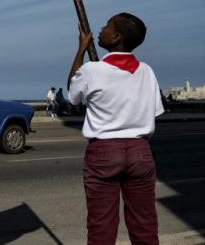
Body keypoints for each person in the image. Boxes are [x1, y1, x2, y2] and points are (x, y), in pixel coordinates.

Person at [67, 13, 163, 245]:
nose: (100, 30)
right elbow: (154, 112)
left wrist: (81, 49)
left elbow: (72, 95)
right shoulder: (147, 71)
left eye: (107, 27)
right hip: (140, 151)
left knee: (101, 228)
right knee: (145, 225)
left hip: (104, 152)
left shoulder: (92, 70)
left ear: (117, 37)